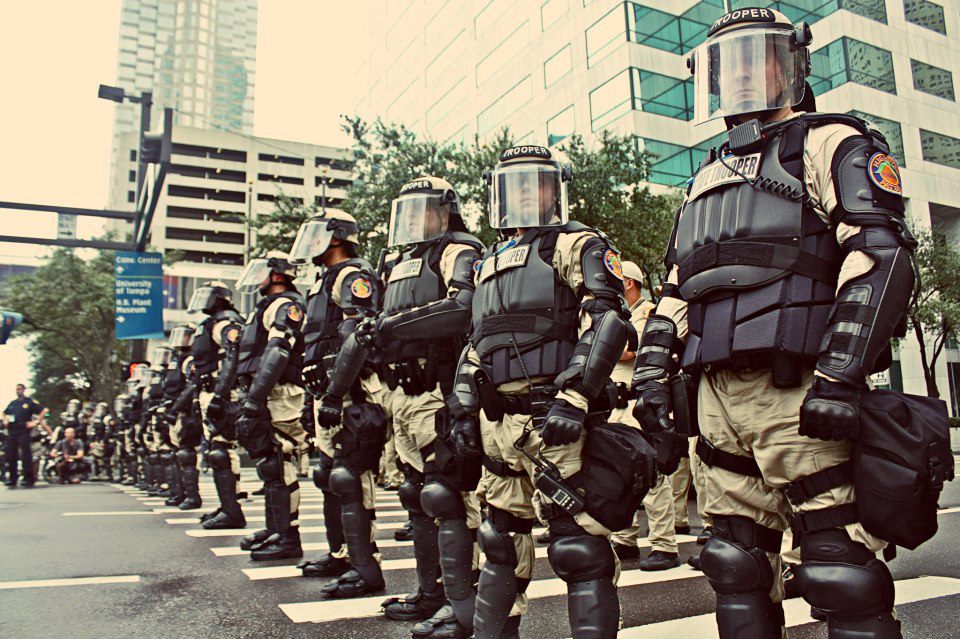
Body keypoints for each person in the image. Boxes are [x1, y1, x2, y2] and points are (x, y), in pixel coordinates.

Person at [633, 9, 915, 638]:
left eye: (756, 57)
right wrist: (653, 374)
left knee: (836, 565)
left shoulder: (830, 142)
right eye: (725, 64)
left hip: (798, 390)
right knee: (733, 565)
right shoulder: (704, 176)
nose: (740, 76)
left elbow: (878, 256)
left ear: (791, 65)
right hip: (716, 401)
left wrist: (840, 376)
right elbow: (676, 289)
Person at [452, 146, 638, 638]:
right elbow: (475, 343)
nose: (524, 193)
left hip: (551, 418)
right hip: (498, 426)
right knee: (498, 542)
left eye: (536, 182)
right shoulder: (486, 263)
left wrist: (575, 396)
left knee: (576, 545)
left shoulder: (576, 245)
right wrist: (462, 412)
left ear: (556, 190)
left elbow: (608, 317)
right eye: (513, 184)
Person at [318, 177, 485, 634]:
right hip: (402, 394)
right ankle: (432, 593)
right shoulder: (400, 263)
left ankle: (461, 602)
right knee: (417, 496)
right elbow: (370, 328)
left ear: (446, 211)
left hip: (440, 389)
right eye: (407, 211)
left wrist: (392, 328)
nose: (414, 219)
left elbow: (463, 308)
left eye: (424, 210)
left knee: (445, 496)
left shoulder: (457, 252)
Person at [287, 210, 390, 598]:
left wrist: (335, 393)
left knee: (349, 476)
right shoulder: (323, 282)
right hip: (327, 391)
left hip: (352, 391)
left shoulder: (351, 276)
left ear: (335, 238)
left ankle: (366, 569)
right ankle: (342, 554)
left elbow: (358, 336)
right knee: (331, 475)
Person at [606, 261, 681, 571]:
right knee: (618, 474)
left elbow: (627, 350)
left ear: (629, 284)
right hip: (616, 405)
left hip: (639, 405)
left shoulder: (648, 312)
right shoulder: (619, 316)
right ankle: (625, 538)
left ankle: (665, 544)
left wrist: (603, 343)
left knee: (652, 477)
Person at [234, 253, 309, 561]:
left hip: (278, 392)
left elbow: (278, 353)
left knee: (280, 461)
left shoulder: (284, 305)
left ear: (278, 275)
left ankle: (289, 537)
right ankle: (275, 528)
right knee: (269, 463)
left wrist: (255, 397)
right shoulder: (264, 307)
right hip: (263, 391)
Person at [185, 282, 247, 530]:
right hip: (210, 391)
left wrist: (220, 397)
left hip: (223, 392)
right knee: (215, 449)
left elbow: (233, 358)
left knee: (220, 450)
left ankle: (232, 512)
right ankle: (227, 506)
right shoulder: (210, 323)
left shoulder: (225, 322)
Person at [165, 322, 203, 510]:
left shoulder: (190, 359)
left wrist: (175, 409)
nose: (182, 339)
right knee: (176, 454)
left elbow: (191, 386)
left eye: (186, 335)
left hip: (186, 412)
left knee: (185, 454)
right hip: (177, 410)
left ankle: (192, 496)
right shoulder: (178, 360)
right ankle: (180, 493)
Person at [4, 384, 44, 487]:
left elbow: (44, 411)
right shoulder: (13, 403)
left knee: (26, 455)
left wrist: (35, 422)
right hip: (12, 431)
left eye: (20, 389)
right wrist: (5, 420)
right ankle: (12, 479)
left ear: (24, 390)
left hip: (23, 431)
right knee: (11, 455)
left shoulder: (29, 402)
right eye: (17, 389)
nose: (18, 391)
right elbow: (4, 413)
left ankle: (28, 479)